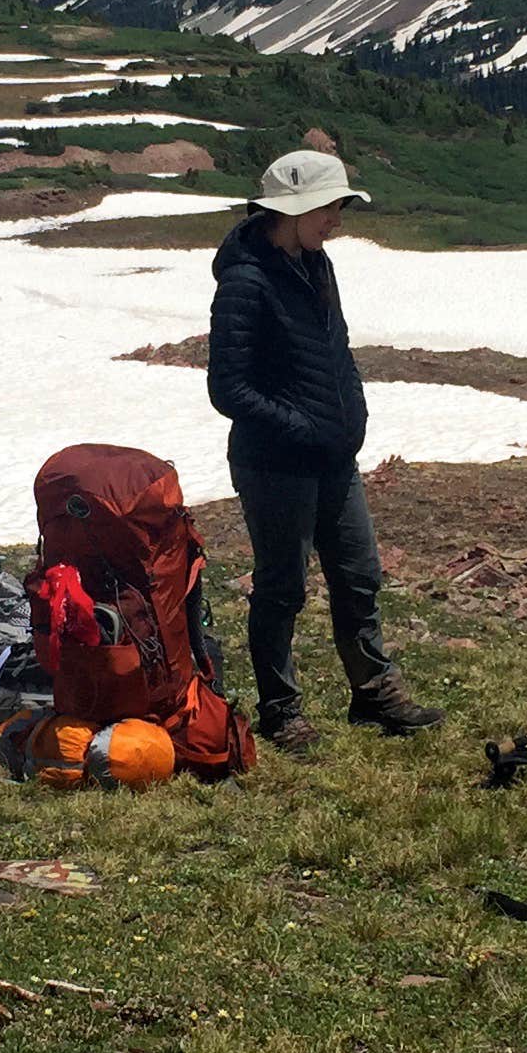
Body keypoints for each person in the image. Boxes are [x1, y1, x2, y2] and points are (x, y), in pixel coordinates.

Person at [206, 148, 442, 753]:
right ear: (295, 208)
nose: (338, 218)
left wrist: (351, 415)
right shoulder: (245, 282)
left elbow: (336, 353)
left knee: (359, 575)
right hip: (275, 464)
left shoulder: (319, 266)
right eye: (331, 206)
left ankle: (373, 693)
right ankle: (280, 710)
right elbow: (228, 388)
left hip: (334, 458)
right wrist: (304, 427)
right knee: (283, 587)